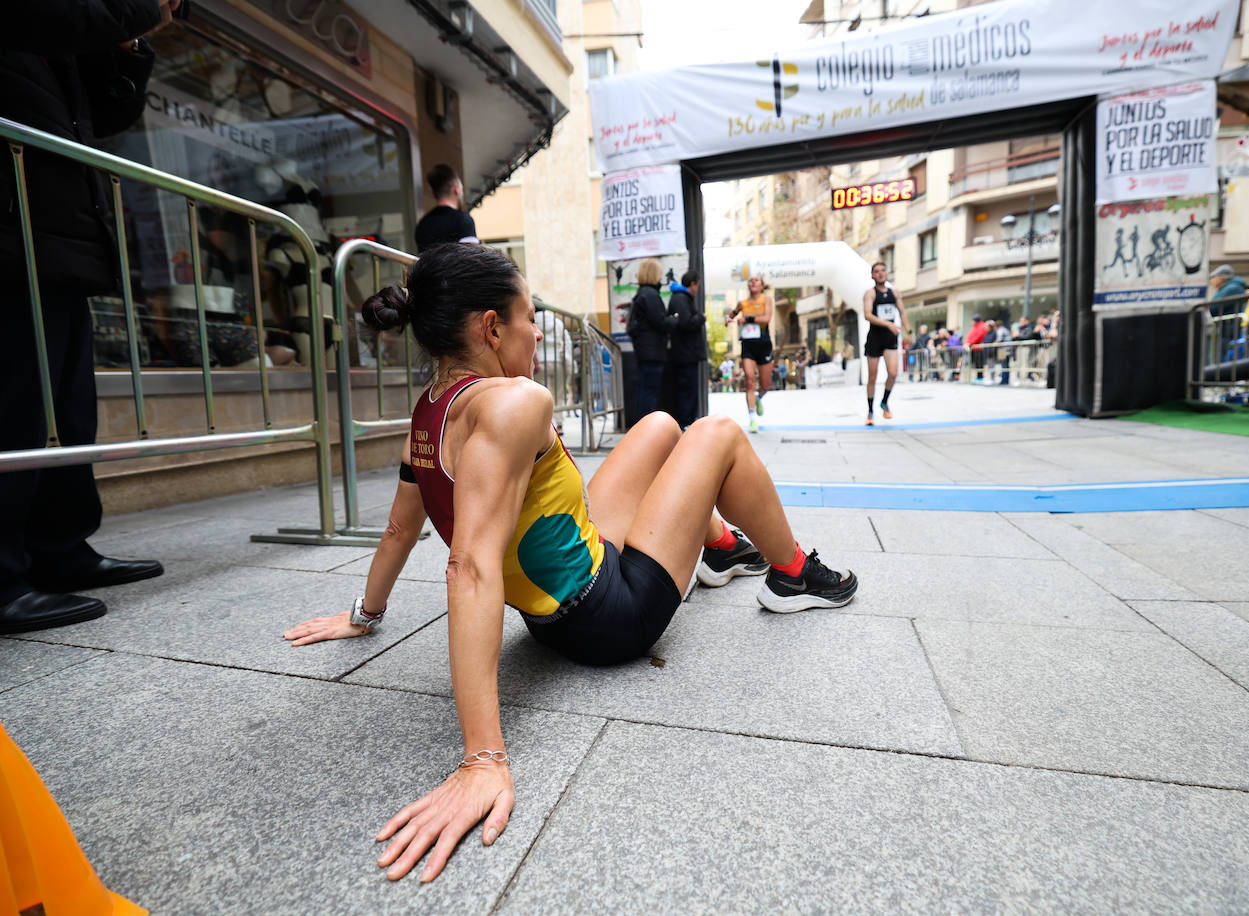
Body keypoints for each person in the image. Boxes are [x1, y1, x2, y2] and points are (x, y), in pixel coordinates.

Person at [282, 243, 857, 883]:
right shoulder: (514, 403)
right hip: (611, 616)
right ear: (490, 328)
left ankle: (718, 548)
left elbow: (397, 528)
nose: (535, 331)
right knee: (716, 435)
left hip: (561, 596)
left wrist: (365, 615)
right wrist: (482, 759)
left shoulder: (428, 413)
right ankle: (793, 573)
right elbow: (469, 568)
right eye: (529, 317)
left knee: (663, 426)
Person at [0, 0, 177, 635]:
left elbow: (107, 115)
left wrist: (129, 42)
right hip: (12, 229)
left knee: (66, 411)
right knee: (15, 405)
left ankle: (59, 548)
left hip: (56, 234)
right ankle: (4, 575)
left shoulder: (67, 39)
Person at [726, 275, 773, 433]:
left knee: (765, 385)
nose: (752, 282)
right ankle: (752, 419)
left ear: (761, 285)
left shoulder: (766, 300)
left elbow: (766, 319)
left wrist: (746, 319)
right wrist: (729, 319)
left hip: (764, 344)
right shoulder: (743, 303)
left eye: (756, 280)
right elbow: (733, 313)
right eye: (750, 281)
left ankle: (759, 399)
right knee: (750, 380)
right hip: (748, 346)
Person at [626, 259, 672, 423]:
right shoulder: (651, 295)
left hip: (645, 350)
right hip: (652, 351)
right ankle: (647, 430)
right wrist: (674, 319)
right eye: (659, 272)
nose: (661, 276)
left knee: (645, 390)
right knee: (650, 392)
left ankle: (642, 428)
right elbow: (660, 322)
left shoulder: (642, 294)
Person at [861, 260, 905, 424]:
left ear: (887, 273)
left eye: (883, 270)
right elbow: (867, 315)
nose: (880, 273)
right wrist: (888, 324)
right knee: (872, 377)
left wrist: (908, 331)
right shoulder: (870, 294)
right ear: (872, 275)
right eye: (876, 271)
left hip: (890, 337)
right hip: (875, 336)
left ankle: (884, 401)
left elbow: (902, 311)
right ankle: (870, 411)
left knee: (893, 373)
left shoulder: (895, 293)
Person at [666, 269, 706, 427]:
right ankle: (685, 421)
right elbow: (686, 323)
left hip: (685, 352)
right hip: (686, 353)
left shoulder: (681, 298)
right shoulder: (681, 299)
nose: (697, 289)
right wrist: (701, 317)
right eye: (697, 285)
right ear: (692, 284)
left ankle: (686, 420)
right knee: (687, 389)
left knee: (687, 388)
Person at [415, 164, 479, 251]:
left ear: (434, 193)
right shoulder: (463, 220)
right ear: (456, 189)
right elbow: (473, 259)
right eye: (462, 189)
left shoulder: (422, 225)